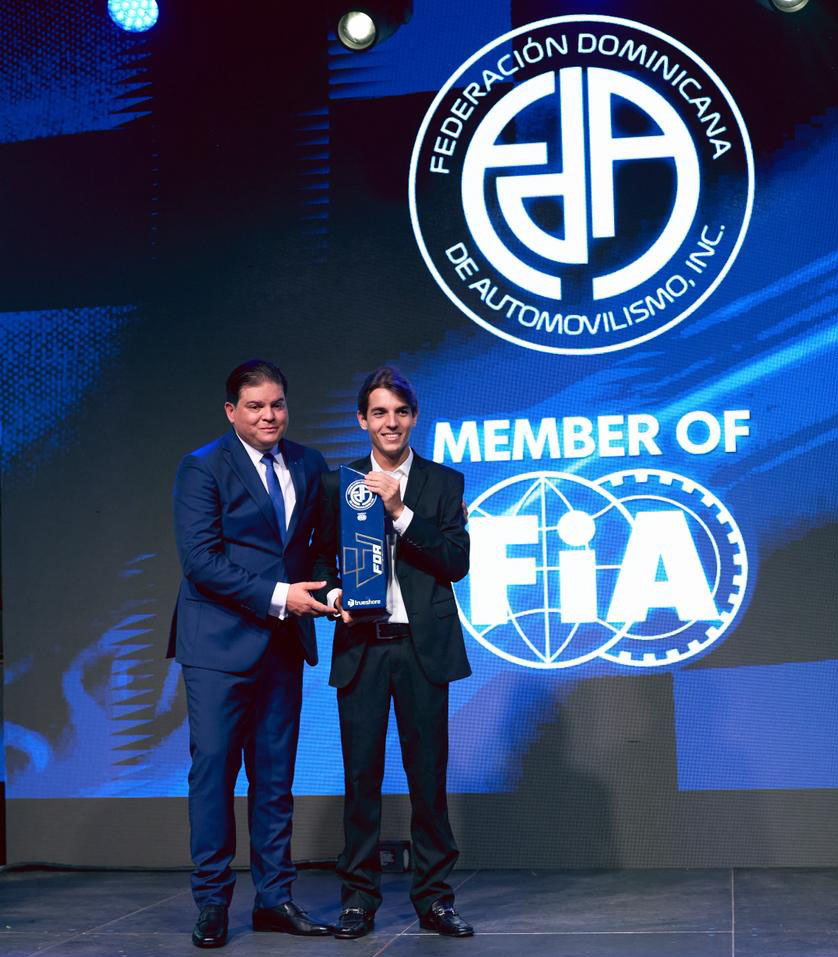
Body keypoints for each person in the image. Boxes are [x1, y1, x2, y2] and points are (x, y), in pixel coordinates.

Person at [170, 359, 332, 948]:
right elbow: (201, 562)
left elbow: (317, 546)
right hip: (217, 646)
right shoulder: (203, 466)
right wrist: (280, 596)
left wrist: (329, 588)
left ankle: (274, 899)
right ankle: (213, 902)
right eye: (256, 406)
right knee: (214, 775)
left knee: (274, 779)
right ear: (231, 411)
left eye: (278, 404)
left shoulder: (309, 464)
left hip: (282, 646)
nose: (270, 416)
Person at [313, 366, 474, 939]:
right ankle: (358, 899)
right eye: (379, 412)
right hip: (362, 646)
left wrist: (402, 513)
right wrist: (334, 594)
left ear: (414, 417)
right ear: (362, 420)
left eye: (400, 412)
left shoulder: (443, 482)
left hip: (421, 647)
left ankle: (434, 899)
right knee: (361, 777)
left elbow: (456, 562)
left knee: (428, 778)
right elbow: (320, 558)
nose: (391, 422)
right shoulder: (337, 484)